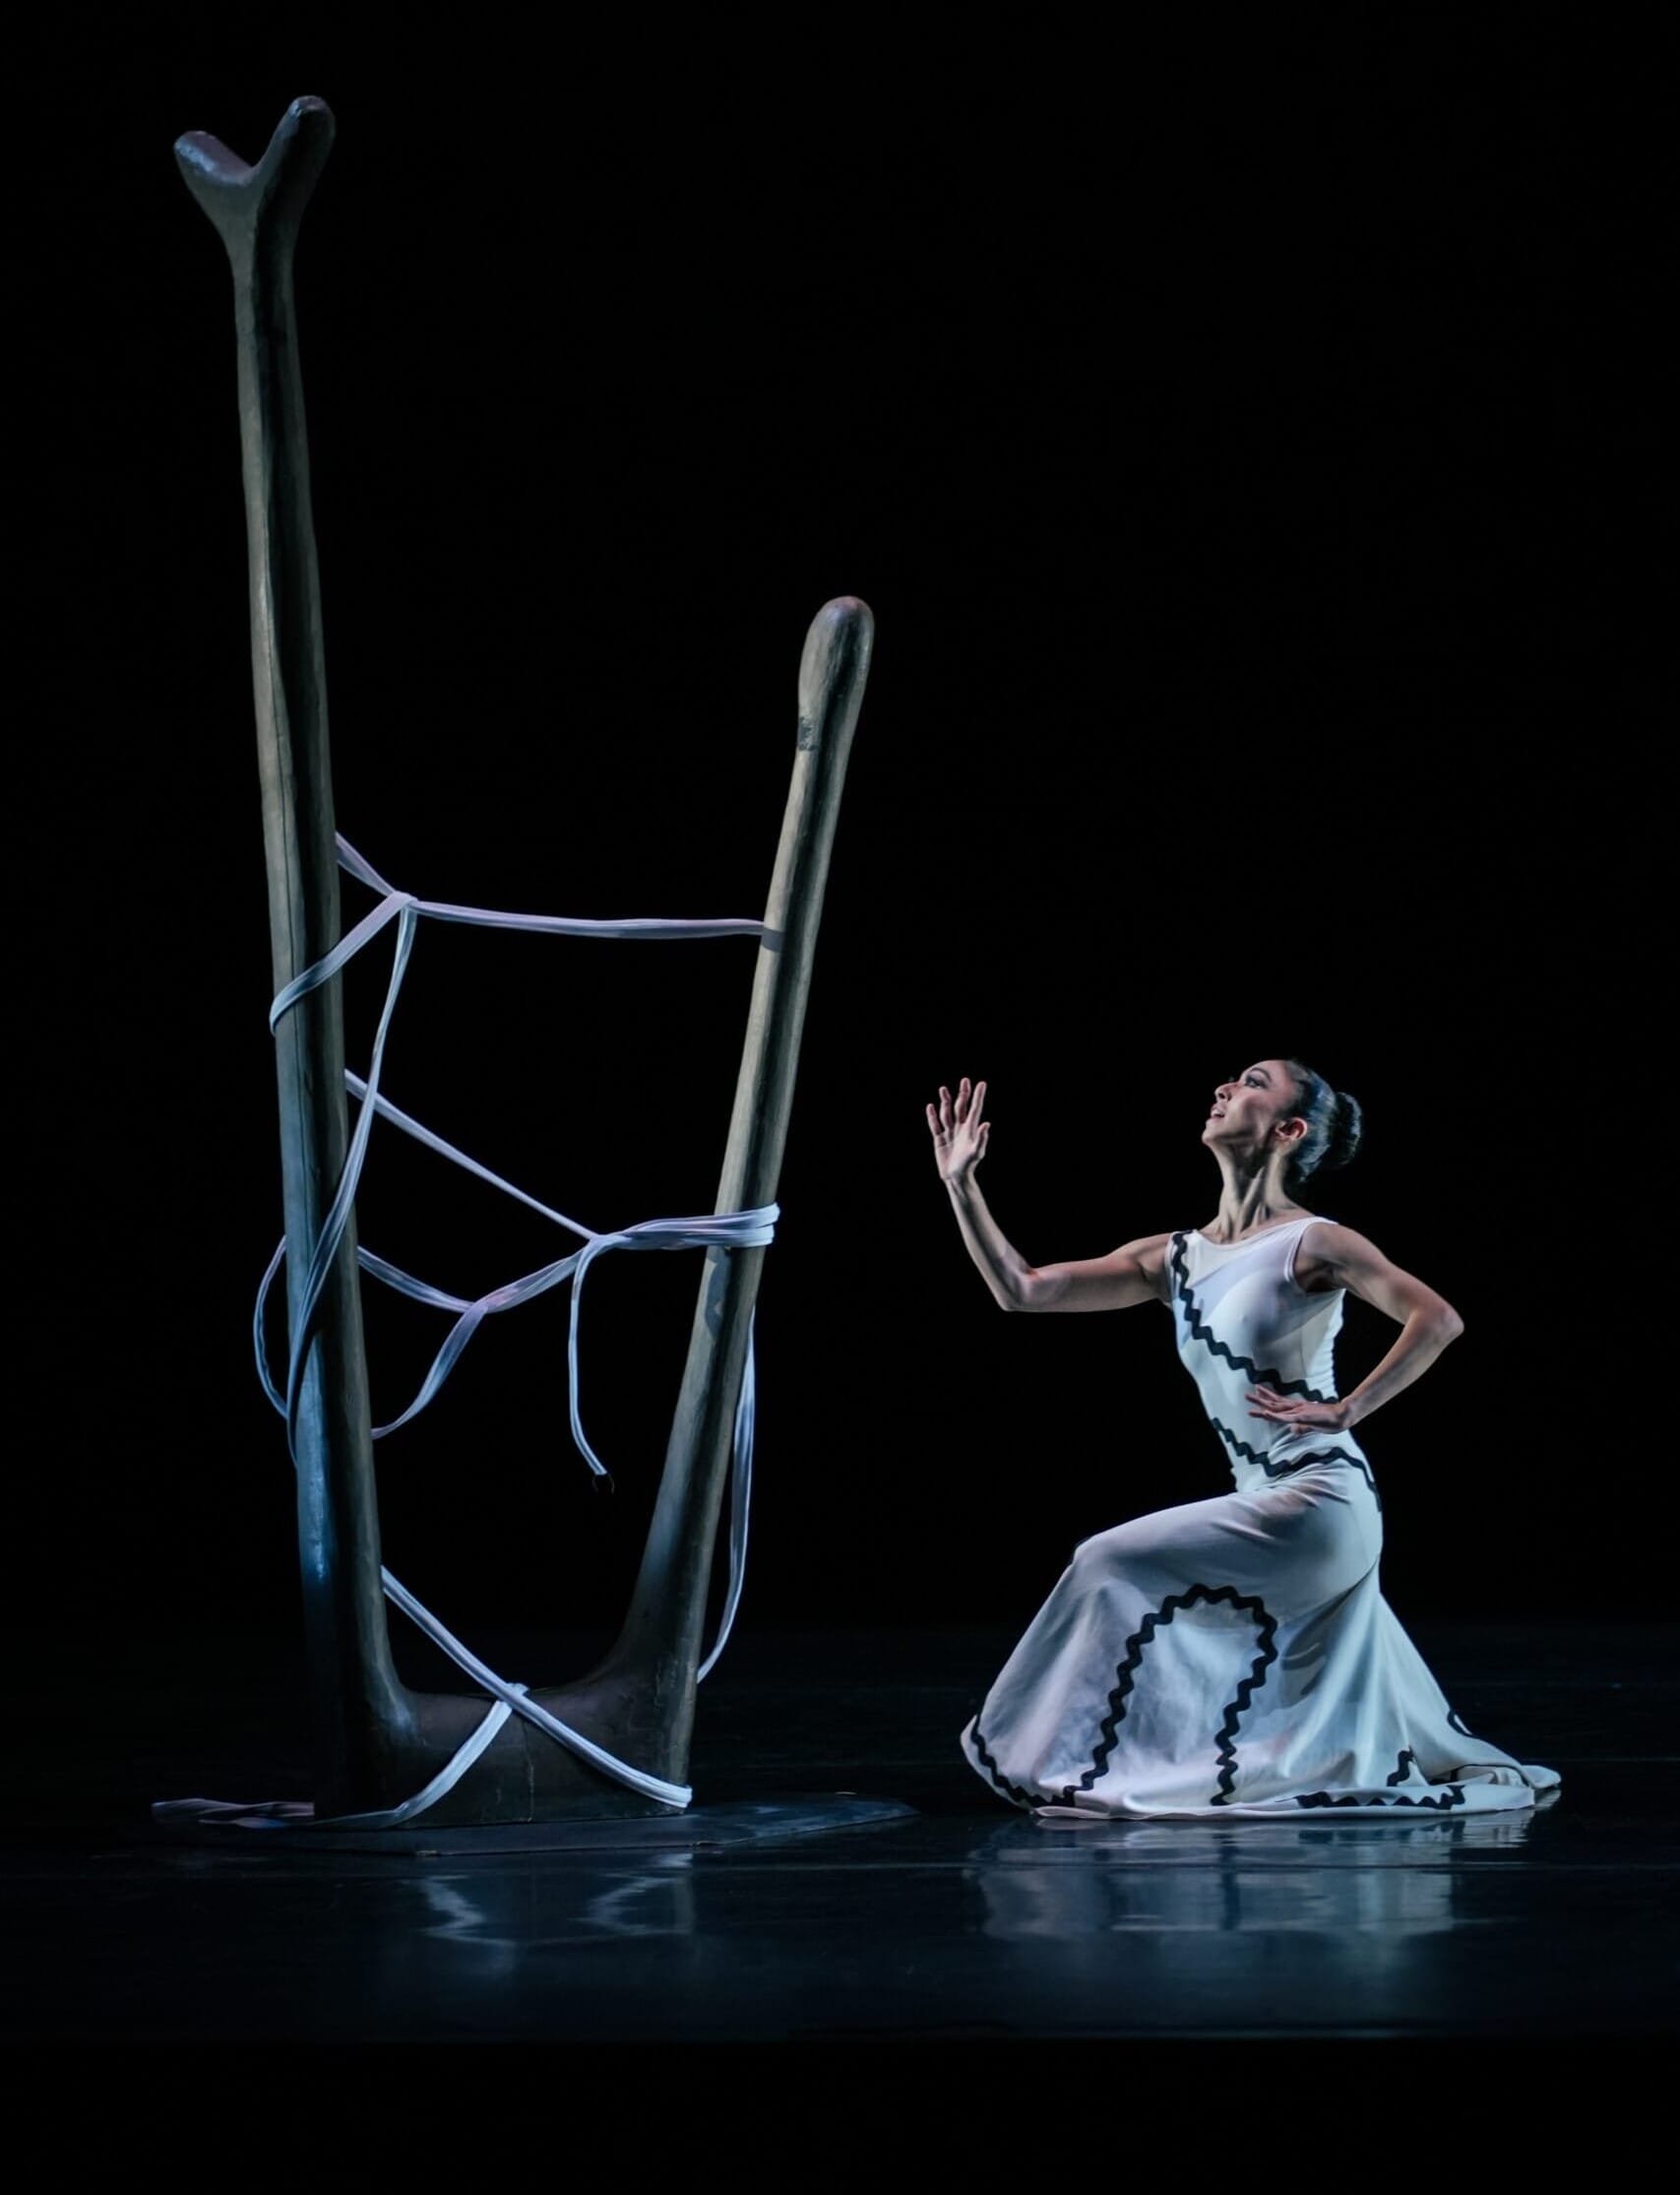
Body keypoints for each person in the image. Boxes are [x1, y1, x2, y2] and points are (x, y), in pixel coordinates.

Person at [928, 1060, 1559, 1818]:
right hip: (1263, 1492)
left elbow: (1437, 1319)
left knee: (1105, 1559)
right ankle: (1153, 1763)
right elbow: (1022, 1291)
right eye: (1230, 1080)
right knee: (1156, 1594)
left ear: (1287, 1130)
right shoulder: (1172, 1257)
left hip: (1316, 1495)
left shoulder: (1314, 1241)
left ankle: (1075, 1763)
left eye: (1252, 1083)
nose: (1225, 1089)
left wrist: (1350, 1407)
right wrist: (961, 1185)